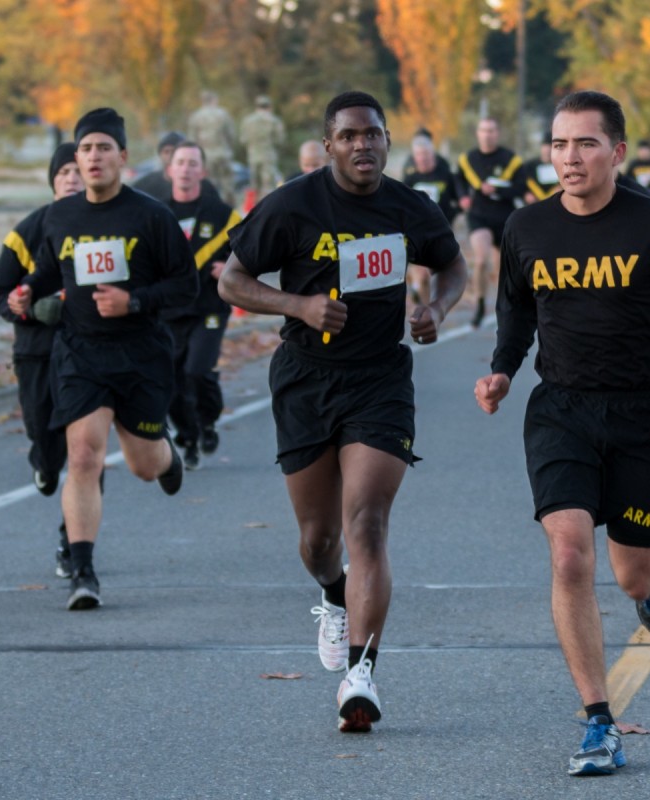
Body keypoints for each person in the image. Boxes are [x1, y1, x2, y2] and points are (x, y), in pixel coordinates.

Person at [474, 90, 650, 777]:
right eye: (558, 144)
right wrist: (502, 370)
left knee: (632, 569)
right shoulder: (526, 228)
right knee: (568, 555)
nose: (569, 157)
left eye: (585, 144)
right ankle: (598, 722)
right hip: (559, 409)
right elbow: (516, 312)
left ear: (616, 152)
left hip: (644, 417)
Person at [218, 90, 468, 734]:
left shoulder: (408, 207)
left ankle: (361, 674)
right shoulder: (292, 205)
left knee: (368, 521)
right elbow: (232, 280)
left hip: (380, 378)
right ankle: (332, 592)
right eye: (350, 135)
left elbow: (452, 265)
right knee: (319, 540)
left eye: (375, 134)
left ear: (388, 140)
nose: (364, 145)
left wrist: (434, 312)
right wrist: (298, 306)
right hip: (305, 378)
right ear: (328, 144)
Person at [8, 108, 197, 611]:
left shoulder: (152, 216)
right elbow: (52, 268)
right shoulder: (60, 215)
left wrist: (133, 301)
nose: (92, 157)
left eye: (102, 148)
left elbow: (186, 286)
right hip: (80, 352)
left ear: (122, 157)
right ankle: (83, 572)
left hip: (140, 353)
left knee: (141, 465)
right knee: (84, 456)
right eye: (84, 149)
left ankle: (165, 456)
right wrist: (28, 289)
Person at [0, 143, 83, 578]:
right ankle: (43, 463)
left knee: (84, 451)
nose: (71, 178)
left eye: (77, 170)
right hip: (36, 352)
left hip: (88, 354)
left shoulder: (110, 227)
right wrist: (24, 308)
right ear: (53, 179)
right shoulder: (29, 229)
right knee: (44, 437)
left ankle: (74, 544)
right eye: (63, 171)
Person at [161, 141, 241, 470]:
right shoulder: (157, 215)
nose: (186, 169)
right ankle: (188, 434)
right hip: (169, 311)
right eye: (180, 162)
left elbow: (249, 251)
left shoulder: (221, 214)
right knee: (171, 379)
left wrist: (231, 269)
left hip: (208, 307)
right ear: (170, 170)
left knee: (197, 370)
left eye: (193, 163)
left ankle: (207, 421)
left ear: (202, 171)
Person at [456, 117, 523, 328]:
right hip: (479, 216)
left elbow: (521, 187)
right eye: (484, 130)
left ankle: (508, 304)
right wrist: (462, 197)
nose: (488, 134)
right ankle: (479, 305)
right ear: (478, 133)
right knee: (482, 260)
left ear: (498, 133)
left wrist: (499, 190)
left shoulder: (511, 159)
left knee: (504, 267)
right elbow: (458, 180)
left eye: (492, 130)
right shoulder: (468, 159)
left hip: (504, 217)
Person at [402, 132, 459, 305]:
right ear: (414, 157)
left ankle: (425, 304)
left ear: (432, 154)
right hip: (417, 232)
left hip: (441, 231)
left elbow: (457, 197)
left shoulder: (444, 171)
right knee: (424, 274)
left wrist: (454, 214)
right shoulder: (410, 177)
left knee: (437, 273)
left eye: (426, 155)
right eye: (419, 155)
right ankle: (421, 305)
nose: (423, 159)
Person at [188, 90, 237, 206]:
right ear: (213, 100)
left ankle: (212, 208)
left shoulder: (196, 116)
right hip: (223, 153)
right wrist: (228, 148)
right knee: (227, 182)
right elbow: (231, 135)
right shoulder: (223, 114)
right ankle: (229, 210)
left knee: (209, 183)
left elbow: (192, 140)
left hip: (206, 156)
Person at [240, 95, 285, 202]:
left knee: (254, 186)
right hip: (268, 156)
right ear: (269, 106)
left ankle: (254, 212)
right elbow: (280, 140)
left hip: (253, 156)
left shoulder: (248, 121)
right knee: (268, 186)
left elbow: (243, 140)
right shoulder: (274, 120)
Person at [132, 131, 185, 202]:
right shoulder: (145, 185)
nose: (170, 156)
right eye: (166, 152)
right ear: (160, 155)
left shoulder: (197, 185)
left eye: (175, 151)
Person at [521, 132, 561, 203]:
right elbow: (520, 184)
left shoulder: (561, 166)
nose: (548, 149)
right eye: (545, 146)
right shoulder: (529, 166)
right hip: (534, 205)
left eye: (551, 146)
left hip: (556, 204)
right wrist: (525, 194)